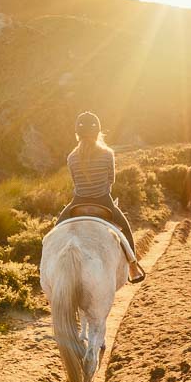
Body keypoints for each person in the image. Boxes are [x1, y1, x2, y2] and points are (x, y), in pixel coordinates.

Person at [63, 112, 145, 283]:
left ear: (77, 134)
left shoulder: (71, 157)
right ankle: (133, 266)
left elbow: (75, 182)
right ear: (98, 132)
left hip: (78, 202)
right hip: (103, 201)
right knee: (126, 230)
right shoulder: (108, 153)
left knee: (55, 229)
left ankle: (44, 266)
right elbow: (111, 180)